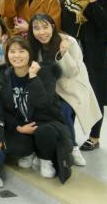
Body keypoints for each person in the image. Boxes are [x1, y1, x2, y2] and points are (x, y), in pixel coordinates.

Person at [0, 37, 72, 182]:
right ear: (7, 55)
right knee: (13, 146)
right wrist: (18, 127)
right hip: (21, 123)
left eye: (22, 51)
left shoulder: (45, 72)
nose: (17, 55)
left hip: (46, 122)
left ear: (30, 53)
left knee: (44, 132)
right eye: (12, 51)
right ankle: (30, 152)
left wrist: (34, 77)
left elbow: (44, 104)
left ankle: (45, 158)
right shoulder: (3, 76)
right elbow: (1, 109)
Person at [28, 13, 101, 166]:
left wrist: (63, 53)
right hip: (50, 88)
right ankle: (42, 149)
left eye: (45, 27)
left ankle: (72, 147)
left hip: (71, 89)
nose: (41, 32)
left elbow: (72, 72)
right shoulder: (34, 46)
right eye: (36, 28)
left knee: (64, 111)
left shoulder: (69, 42)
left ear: (53, 27)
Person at [59, 0, 107, 152]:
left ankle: (94, 137)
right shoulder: (65, 0)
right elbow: (62, 27)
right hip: (74, 55)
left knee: (96, 95)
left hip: (96, 56)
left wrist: (94, 4)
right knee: (71, 94)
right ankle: (69, 136)